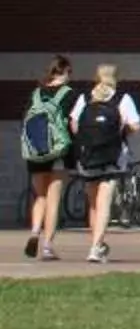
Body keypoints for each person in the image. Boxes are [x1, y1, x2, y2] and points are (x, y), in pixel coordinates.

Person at [67, 63, 140, 265]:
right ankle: (95, 247)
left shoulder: (85, 98)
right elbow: (135, 126)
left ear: (96, 77)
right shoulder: (122, 99)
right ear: (117, 78)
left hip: (88, 157)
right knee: (104, 203)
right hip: (113, 158)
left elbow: (73, 125)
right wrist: (120, 130)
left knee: (93, 204)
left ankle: (96, 243)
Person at [20, 57, 75, 260]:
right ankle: (47, 246)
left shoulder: (36, 94)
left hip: (35, 152)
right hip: (58, 152)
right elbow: (73, 124)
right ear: (66, 71)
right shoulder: (69, 94)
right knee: (53, 199)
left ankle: (34, 232)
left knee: (40, 196)